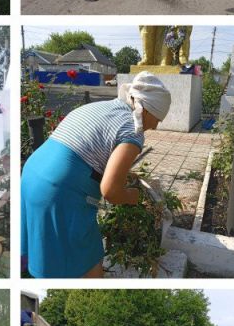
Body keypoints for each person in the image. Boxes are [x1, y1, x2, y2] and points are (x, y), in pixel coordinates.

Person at [21, 72, 171, 278]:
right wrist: (133, 196)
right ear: (147, 109)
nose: (155, 126)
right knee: (87, 261)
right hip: (59, 190)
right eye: (158, 119)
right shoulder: (132, 129)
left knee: (47, 248)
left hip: (32, 173)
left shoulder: (100, 107)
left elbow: (90, 150)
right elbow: (110, 191)